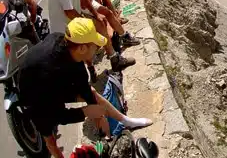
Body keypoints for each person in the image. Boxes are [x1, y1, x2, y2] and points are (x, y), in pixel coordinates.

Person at [18, 18, 153, 158]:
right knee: (51, 141)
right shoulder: (51, 71)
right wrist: (84, 112)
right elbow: (54, 115)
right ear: (82, 48)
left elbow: (84, 87)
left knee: (93, 95)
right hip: (35, 97)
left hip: (54, 84)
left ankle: (125, 121)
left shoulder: (68, 48)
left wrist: (99, 116)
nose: (98, 48)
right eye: (95, 46)